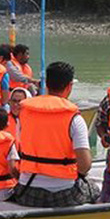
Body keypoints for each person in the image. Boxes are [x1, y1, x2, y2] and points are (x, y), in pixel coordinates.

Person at [11, 61, 96, 208]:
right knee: (94, 190)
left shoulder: (24, 114)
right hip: (64, 191)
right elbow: (85, 165)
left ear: (47, 85)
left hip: (28, 189)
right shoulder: (74, 119)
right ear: (69, 86)